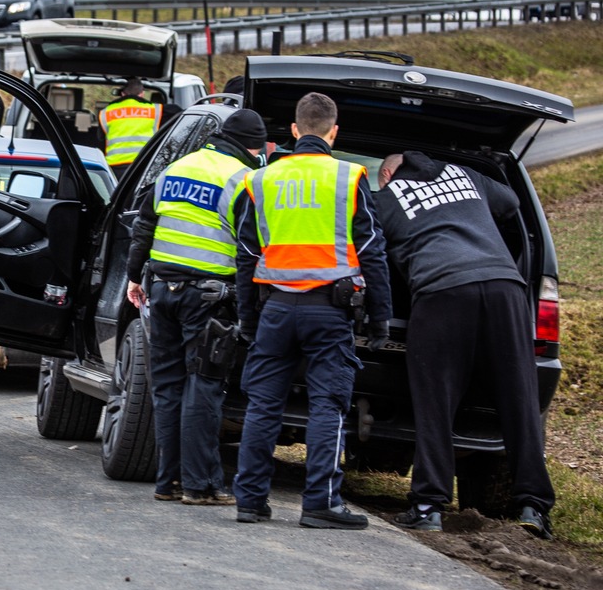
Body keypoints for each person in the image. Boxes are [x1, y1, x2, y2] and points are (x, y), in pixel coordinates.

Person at [232, 92, 392, 529]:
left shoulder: (261, 180)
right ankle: (320, 503)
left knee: (263, 404)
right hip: (329, 311)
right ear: (333, 132)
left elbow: (246, 254)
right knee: (328, 405)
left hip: (276, 309)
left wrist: (247, 317)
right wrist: (380, 316)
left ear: (296, 131)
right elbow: (372, 251)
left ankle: (249, 501)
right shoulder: (349, 177)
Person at [376, 151, 556, 539]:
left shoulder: (386, 199)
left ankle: (428, 506)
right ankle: (533, 507)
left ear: (389, 173)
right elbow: (509, 204)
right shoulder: (462, 173)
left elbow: (369, 251)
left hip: (442, 291)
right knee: (519, 399)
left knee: (435, 403)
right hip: (504, 286)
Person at [125, 109, 268, 506]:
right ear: (254, 148)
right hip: (208, 299)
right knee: (204, 385)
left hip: (162, 290)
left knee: (168, 387)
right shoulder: (244, 179)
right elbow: (248, 249)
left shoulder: (177, 167)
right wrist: (249, 304)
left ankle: (166, 482)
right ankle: (199, 485)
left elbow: (144, 225)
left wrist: (134, 278)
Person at [99, 78, 162, 174]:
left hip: (115, 165)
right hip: (144, 163)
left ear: (123, 94)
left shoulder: (106, 112)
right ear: (142, 94)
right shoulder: (154, 109)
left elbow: (100, 139)